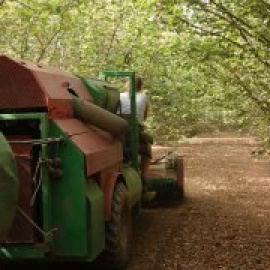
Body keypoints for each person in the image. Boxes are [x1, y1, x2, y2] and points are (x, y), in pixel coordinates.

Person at [119, 76, 155, 201]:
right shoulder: (144, 97)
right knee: (147, 151)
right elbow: (144, 117)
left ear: (128, 84)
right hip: (135, 129)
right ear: (141, 85)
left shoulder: (120, 95)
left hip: (119, 128)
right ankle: (143, 180)